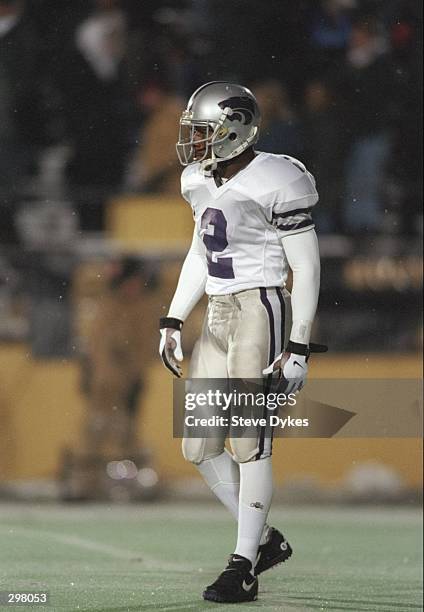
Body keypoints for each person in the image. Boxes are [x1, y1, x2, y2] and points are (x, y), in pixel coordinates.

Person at [159, 82, 322, 604]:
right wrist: (173, 317)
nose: (194, 141)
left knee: (249, 442)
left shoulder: (278, 176)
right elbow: (198, 253)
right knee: (198, 445)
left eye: (203, 131)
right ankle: (266, 540)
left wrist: (298, 346)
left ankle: (243, 565)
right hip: (219, 310)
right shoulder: (196, 180)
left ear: (234, 129)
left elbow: (307, 267)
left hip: (262, 306)